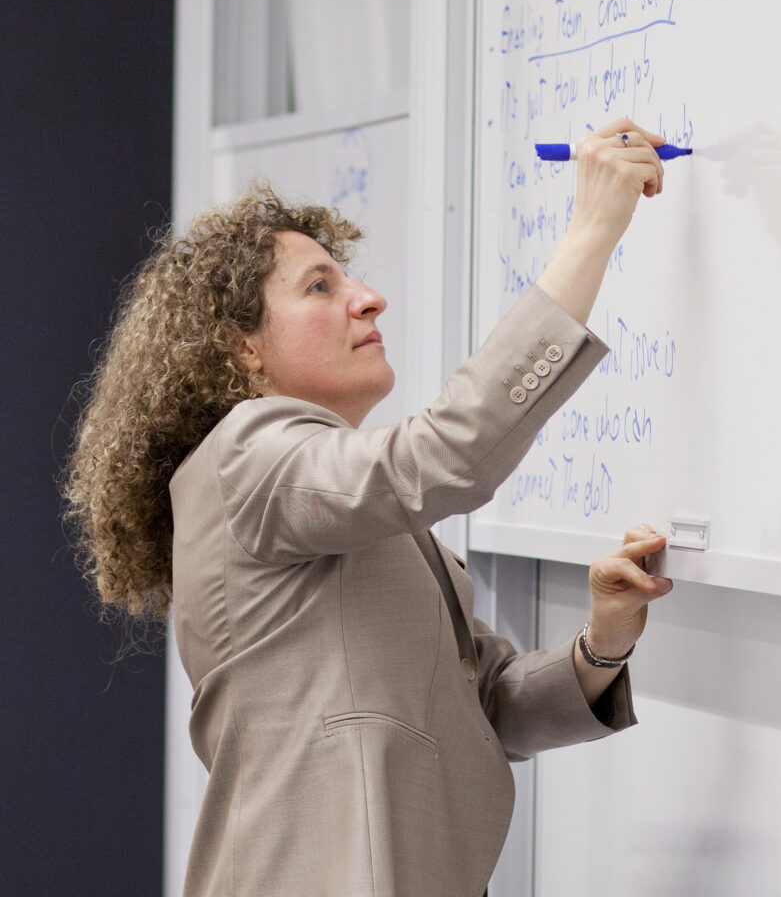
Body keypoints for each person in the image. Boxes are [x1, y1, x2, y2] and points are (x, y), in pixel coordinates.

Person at [63, 118, 675, 897]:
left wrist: (602, 643)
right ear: (242, 346)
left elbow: (488, 704)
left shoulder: (336, 504)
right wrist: (592, 228)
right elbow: (449, 452)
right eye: (321, 286)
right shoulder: (247, 455)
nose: (369, 298)